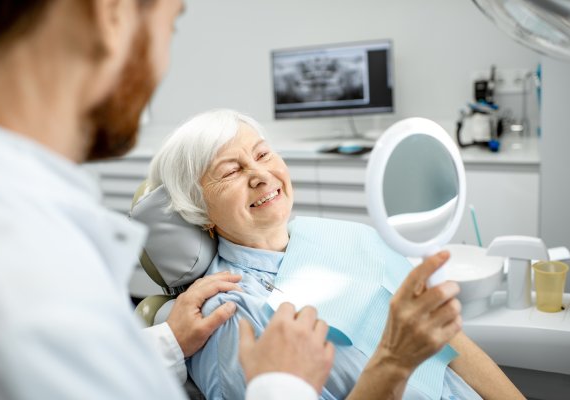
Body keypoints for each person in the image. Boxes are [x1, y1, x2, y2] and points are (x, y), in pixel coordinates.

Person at [0, 1, 333, 399]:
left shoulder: (19, 232)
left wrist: (170, 341)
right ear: (111, 13)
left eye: (262, 154)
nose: (163, 62)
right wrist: (283, 385)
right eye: (172, 24)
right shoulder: (21, 277)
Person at [147, 109, 526, 400]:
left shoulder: (344, 234)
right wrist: (394, 360)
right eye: (230, 171)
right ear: (200, 210)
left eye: (263, 153)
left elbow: (450, 342)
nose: (261, 174)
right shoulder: (227, 314)